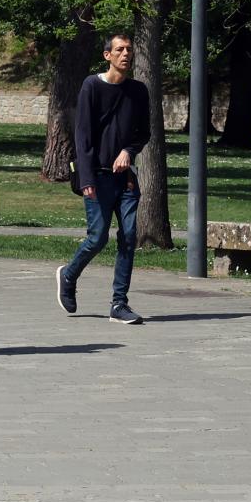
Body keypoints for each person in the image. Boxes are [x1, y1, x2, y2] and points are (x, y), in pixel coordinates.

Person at [57, 33, 150, 324]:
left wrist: (128, 151)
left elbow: (143, 132)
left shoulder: (138, 91)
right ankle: (68, 275)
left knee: (129, 237)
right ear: (107, 55)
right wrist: (86, 178)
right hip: (96, 177)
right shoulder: (92, 86)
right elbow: (82, 135)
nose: (126, 54)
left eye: (129, 50)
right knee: (97, 238)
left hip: (126, 180)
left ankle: (119, 304)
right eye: (119, 50)